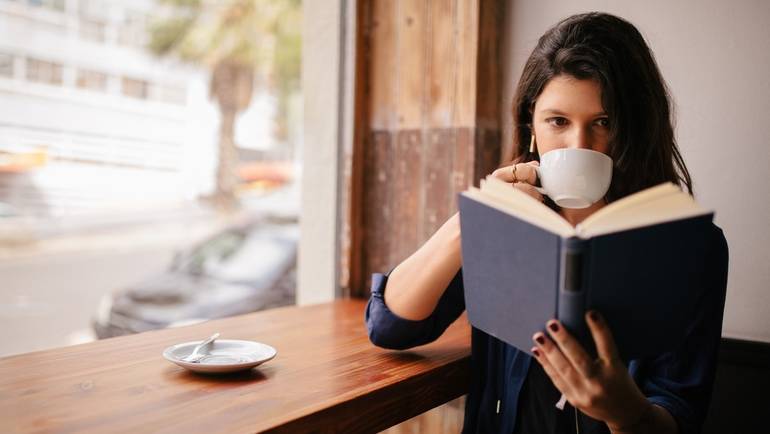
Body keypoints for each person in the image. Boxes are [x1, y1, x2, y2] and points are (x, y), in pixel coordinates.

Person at [365, 12, 728, 434]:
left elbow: (679, 412)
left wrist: (628, 414)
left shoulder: (690, 248)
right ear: (531, 127)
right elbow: (390, 326)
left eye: (603, 123)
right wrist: (472, 221)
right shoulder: (508, 223)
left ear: (635, 126)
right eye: (558, 121)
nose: (580, 145)